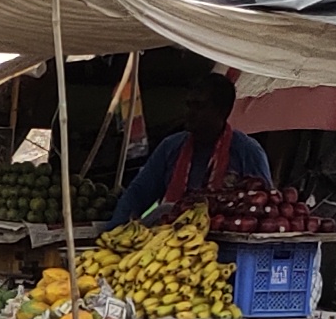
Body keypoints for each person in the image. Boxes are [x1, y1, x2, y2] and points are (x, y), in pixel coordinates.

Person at [107, 72, 270, 225]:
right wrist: (114, 230)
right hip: (171, 240)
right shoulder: (170, 147)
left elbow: (266, 204)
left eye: (199, 106)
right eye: (189, 105)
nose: (189, 112)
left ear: (222, 111)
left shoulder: (247, 151)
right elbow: (138, 194)